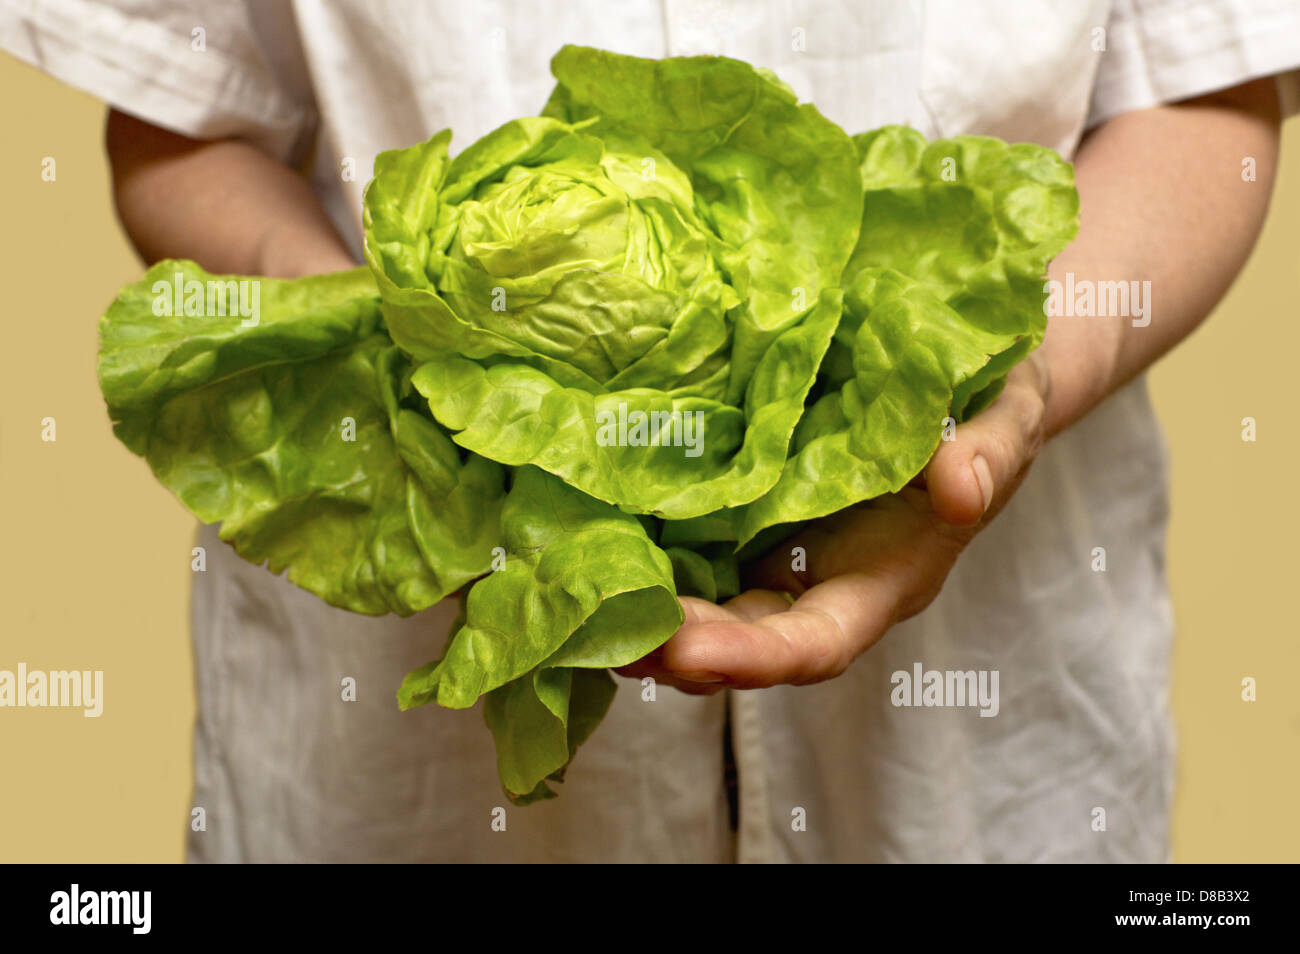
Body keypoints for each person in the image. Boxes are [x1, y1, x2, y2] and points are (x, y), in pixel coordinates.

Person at [4, 0, 1296, 862]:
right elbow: (184, 111)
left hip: (993, 729)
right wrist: (403, 376)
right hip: (385, 768)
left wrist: (1019, 386)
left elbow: (1206, 89)